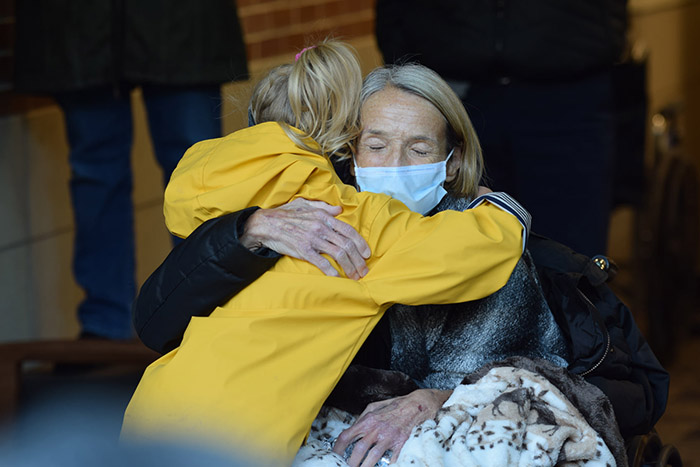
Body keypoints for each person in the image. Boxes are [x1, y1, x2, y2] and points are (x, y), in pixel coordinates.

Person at [122, 42, 530, 463]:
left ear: (451, 160)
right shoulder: (346, 224)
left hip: (152, 415)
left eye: (419, 149)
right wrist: (503, 210)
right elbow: (469, 251)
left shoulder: (216, 185)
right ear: (346, 151)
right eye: (376, 145)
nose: (395, 164)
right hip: (237, 438)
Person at [12, 0, 248, 340]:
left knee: (197, 170)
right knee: (95, 173)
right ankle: (104, 324)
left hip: (183, 23)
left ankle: (209, 312)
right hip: (81, 25)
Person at [375, 0, 628, 257]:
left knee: (572, 257)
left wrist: (605, 36)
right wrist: (405, 68)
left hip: (569, 91)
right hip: (454, 94)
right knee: (456, 253)